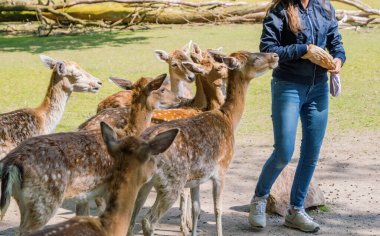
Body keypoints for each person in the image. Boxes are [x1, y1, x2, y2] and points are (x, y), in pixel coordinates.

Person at [249, 0, 346, 233]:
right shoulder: (279, 10)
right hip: (288, 86)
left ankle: (295, 211)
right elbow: (268, 50)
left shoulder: (325, 6)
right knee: (284, 151)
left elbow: (336, 42)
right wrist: (305, 51)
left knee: (311, 151)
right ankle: (259, 200)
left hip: (319, 88)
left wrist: (338, 60)